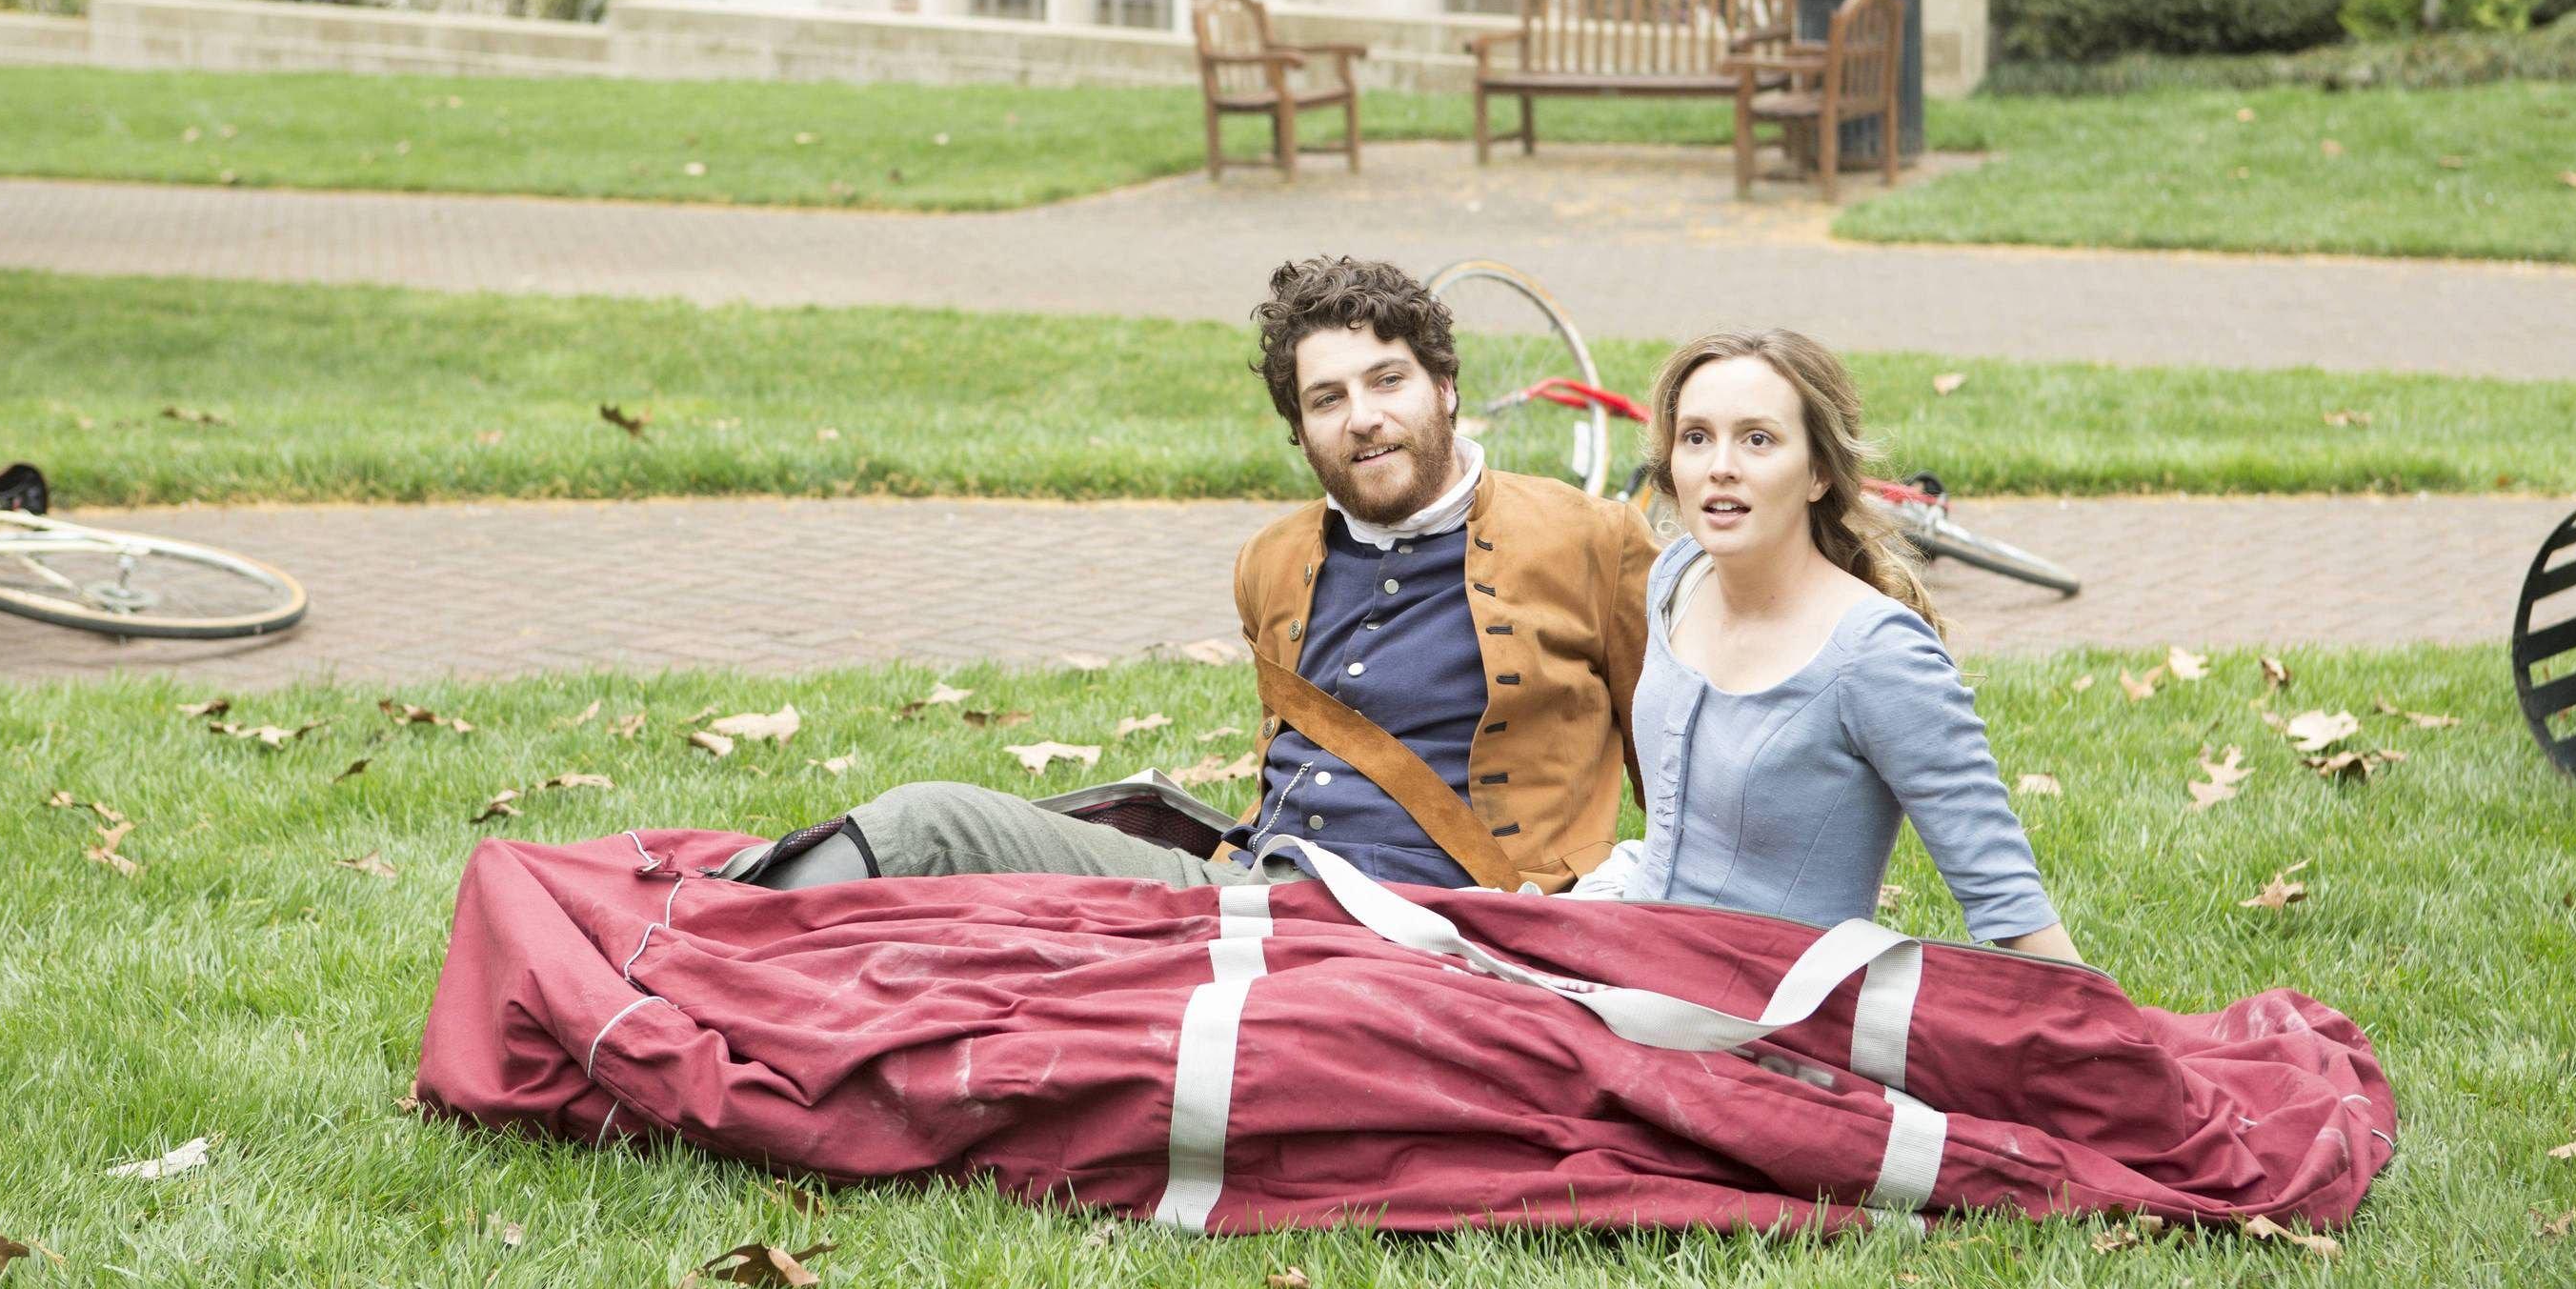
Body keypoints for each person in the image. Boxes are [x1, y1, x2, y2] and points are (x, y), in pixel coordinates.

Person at [718, 255, 1657, 895]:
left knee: (950, 858)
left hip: (1439, 935)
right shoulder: (1274, 561)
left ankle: (692, 946)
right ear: (1300, 433)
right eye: (1327, 399)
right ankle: (692, 935)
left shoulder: (1594, 543)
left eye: (1388, 381)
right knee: (943, 848)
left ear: (1446, 386)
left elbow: (1692, 793)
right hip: (1246, 896)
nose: (1362, 418)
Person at [1574, 329, 2085, 963]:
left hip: (1773, 1016)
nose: (1720, 466)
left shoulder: (1878, 655)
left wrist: (2102, 1047)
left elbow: (2005, 895)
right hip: (1631, 949)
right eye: (1697, 437)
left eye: (1758, 439)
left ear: (1819, 472)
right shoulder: (1677, 577)